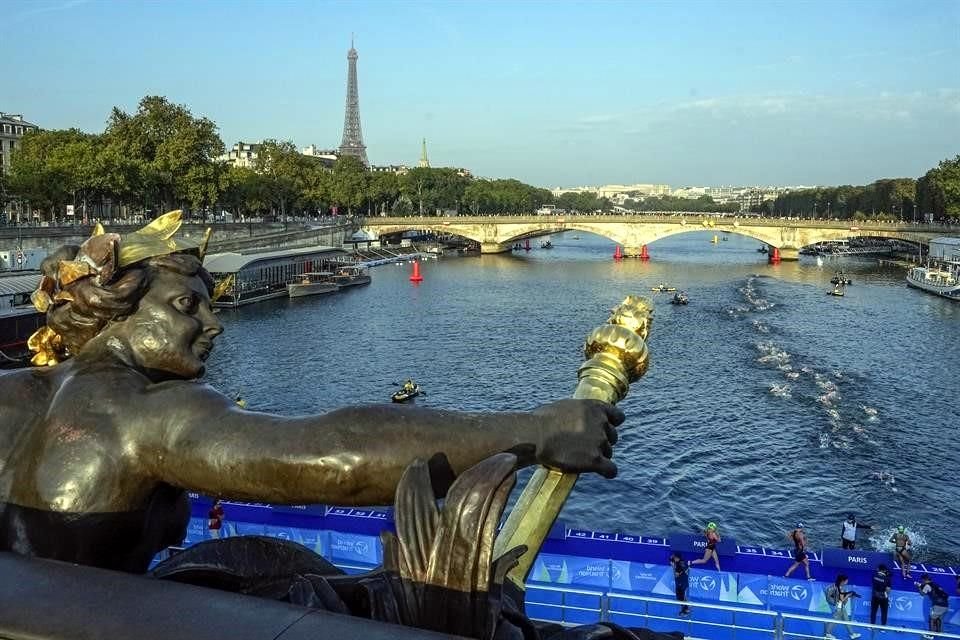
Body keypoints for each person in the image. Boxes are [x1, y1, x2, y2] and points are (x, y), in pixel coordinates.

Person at [0, 213, 624, 574]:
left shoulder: (15, 394)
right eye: (187, 306)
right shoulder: (144, 412)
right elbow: (334, 457)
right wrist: (539, 431)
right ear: (118, 314)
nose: (212, 325)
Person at [825, 574, 862, 640]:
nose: (847, 581)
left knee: (846, 619)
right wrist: (848, 595)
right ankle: (828, 633)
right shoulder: (840, 588)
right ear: (842, 581)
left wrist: (849, 595)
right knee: (835, 619)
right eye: (846, 580)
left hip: (840, 605)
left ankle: (852, 634)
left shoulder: (835, 585)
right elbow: (842, 600)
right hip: (838, 606)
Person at [669, 552, 691, 616]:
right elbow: (688, 570)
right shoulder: (683, 562)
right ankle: (687, 608)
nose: (673, 558)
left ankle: (684, 611)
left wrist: (673, 567)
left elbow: (676, 575)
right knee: (683, 596)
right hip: (684, 582)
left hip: (680, 583)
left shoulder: (678, 565)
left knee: (680, 598)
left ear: (677, 558)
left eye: (674, 557)